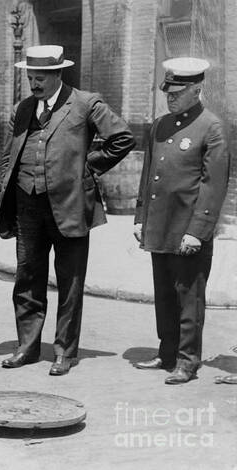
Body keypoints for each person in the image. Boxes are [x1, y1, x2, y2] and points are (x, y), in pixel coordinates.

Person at [0, 45, 136, 374]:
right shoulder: (24, 107)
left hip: (70, 205)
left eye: (41, 77)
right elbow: (9, 154)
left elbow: (122, 138)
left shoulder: (86, 103)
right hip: (27, 204)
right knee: (27, 277)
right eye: (31, 77)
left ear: (58, 74)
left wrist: (88, 168)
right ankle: (27, 348)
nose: (34, 83)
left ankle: (64, 351)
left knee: (70, 282)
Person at [133, 58, 229, 384]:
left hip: (187, 229)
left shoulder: (211, 127)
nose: (170, 97)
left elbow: (213, 186)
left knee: (189, 296)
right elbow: (149, 176)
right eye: (168, 91)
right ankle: (168, 352)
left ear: (197, 90)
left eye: (177, 92)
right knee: (164, 294)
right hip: (159, 225)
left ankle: (188, 361)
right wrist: (139, 216)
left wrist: (198, 231)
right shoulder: (159, 125)